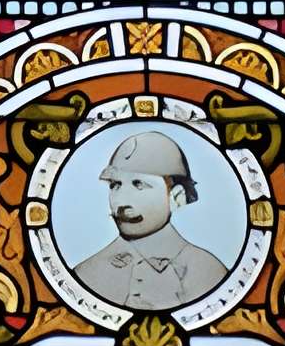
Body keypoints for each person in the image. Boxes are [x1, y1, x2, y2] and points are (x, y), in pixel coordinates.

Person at [73, 129, 230, 310]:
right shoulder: (86, 274)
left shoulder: (209, 273)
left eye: (139, 185)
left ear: (176, 197)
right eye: (115, 185)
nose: (121, 201)